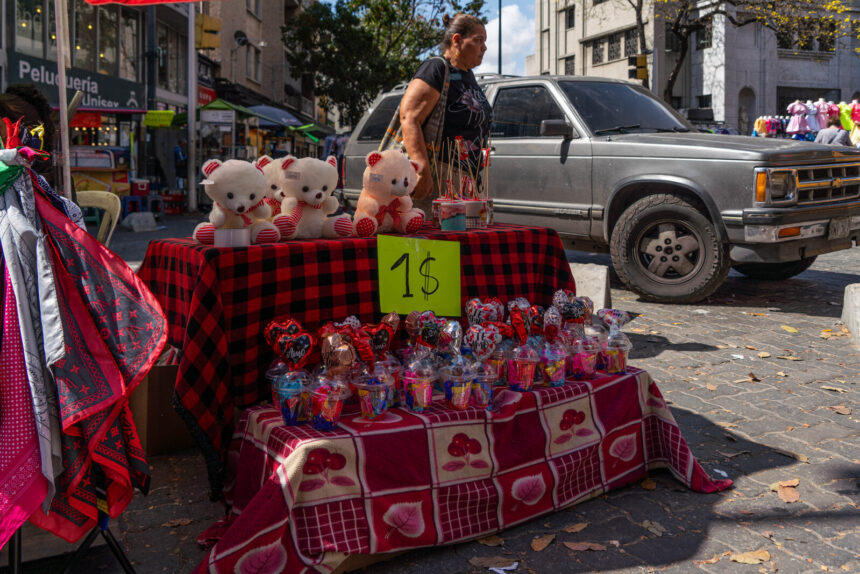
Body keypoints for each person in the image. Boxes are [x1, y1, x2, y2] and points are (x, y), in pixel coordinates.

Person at [400, 13, 492, 214]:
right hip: (439, 177)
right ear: (457, 40)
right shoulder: (437, 68)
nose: (484, 47)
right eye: (478, 40)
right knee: (438, 243)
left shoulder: (468, 77)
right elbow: (409, 117)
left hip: (466, 179)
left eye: (484, 41)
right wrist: (422, 170)